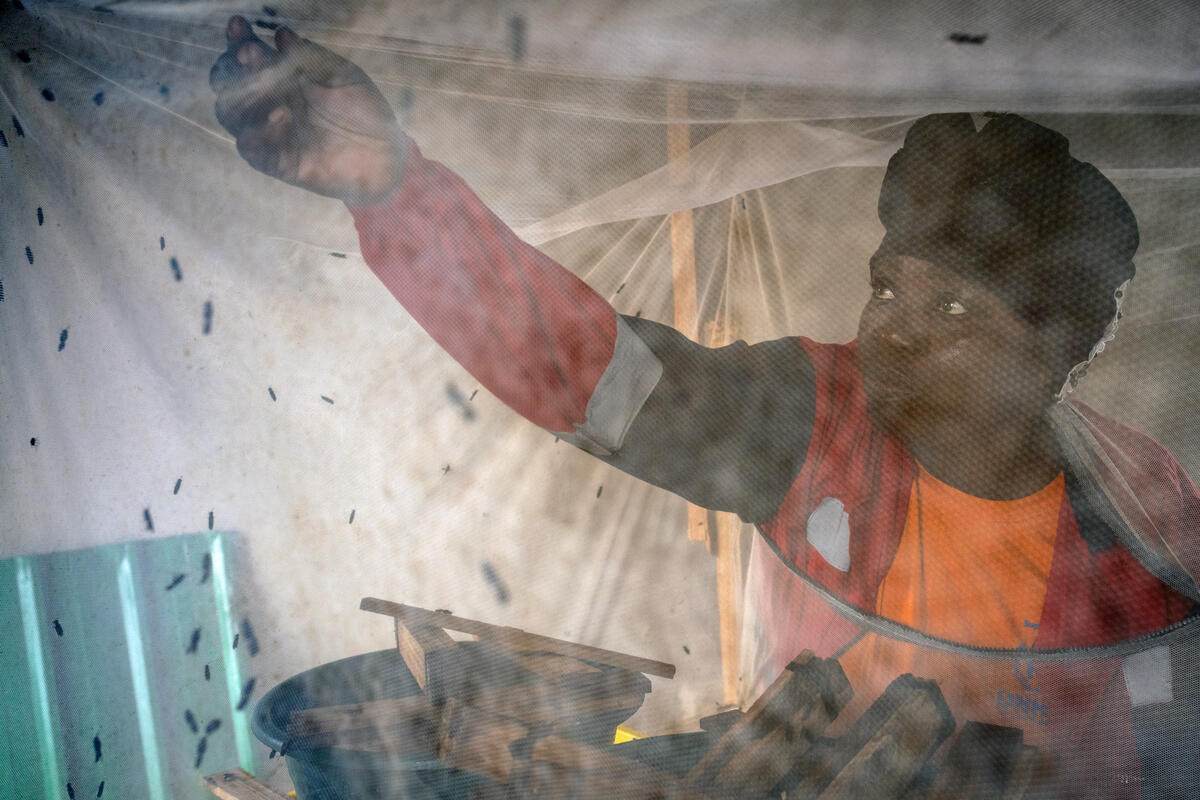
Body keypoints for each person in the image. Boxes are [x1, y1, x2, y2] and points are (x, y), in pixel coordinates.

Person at [210, 17, 1199, 798]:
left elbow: (1170, 710)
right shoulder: (814, 416)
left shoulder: (1141, 497)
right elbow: (586, 368)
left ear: (1055, 350)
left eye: (953, 309)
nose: (892, 331)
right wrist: (394, 190)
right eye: (886, 285)